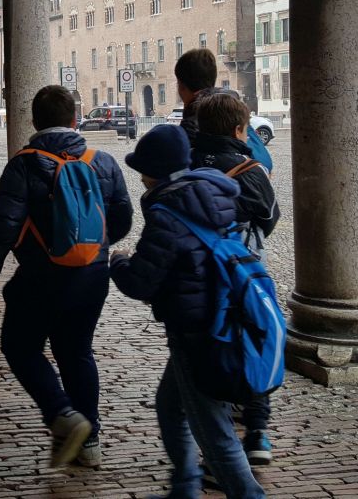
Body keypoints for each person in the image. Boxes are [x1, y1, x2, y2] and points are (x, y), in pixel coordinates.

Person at [0, 85, 133, 469]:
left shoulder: (24, 163)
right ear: (75, 119)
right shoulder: (102, 161)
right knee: (77, 351)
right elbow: (121, 221)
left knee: (20, 346)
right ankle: (89, 441)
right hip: (93, 276)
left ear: (34, 121)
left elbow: (2, 227)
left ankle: (62, 415)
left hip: (41, 275)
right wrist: (91, 246)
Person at [110, 124, 265, 499]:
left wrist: (118, 261)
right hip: (220, 316)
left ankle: (248, 494)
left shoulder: (168, 211)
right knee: (170, 406)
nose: (141, 177)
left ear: (156, 170)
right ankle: (184, 486)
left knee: (214, 431)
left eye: (143, 169)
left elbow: (140, 283)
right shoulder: (213, 194)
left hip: (196, 330)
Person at [190, 93, 280, 469]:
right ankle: (257, 431)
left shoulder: (186, 163)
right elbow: (270, 217)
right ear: (240, 129)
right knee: (251, 344)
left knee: (207, 355)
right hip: (242, 274)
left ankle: (216, 442)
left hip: (195, 277)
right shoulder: (251, 169)